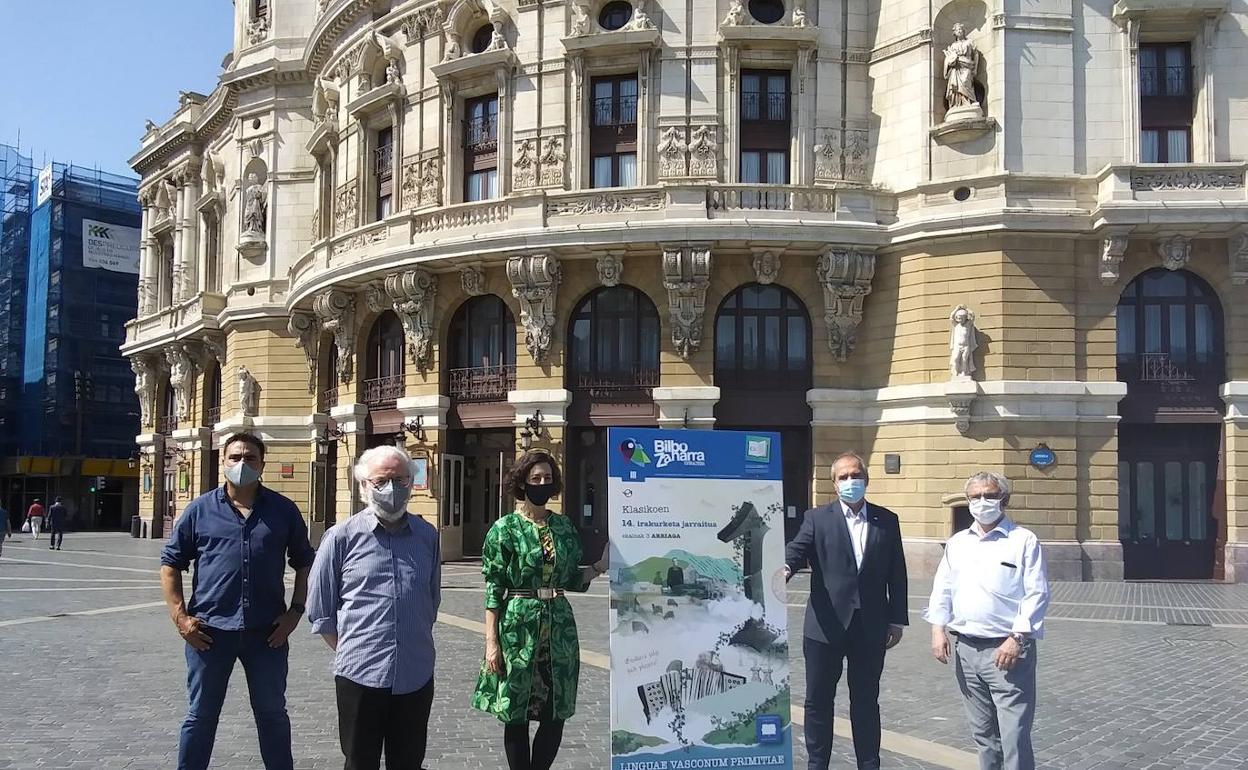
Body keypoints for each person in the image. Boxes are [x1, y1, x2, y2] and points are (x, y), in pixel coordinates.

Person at [159, 432, 315, 770]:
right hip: (209, 633)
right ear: (223, 461)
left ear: (262, 464)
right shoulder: (200, 510)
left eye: (250, 458)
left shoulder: (283, 510)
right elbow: (170, 563)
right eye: (235, 457)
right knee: (201, 716)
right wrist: (180, 619)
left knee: (272, 714)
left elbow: (305, 562)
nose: (242, 463)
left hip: (267, 634)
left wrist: (295, 612)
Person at [471, 450, 608, 770]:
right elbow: (494, 589)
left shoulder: (563, 527)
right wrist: (491, 642)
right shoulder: (505, 529)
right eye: (535, 478)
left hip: (559, 627)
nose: (542, 483)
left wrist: (599, 567)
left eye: (547, 478)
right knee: (516, 710)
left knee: (556, 710)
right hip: (518, 626)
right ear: (522, 483)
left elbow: (572, 578)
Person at [307, 445, 441, 770]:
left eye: (400, 480)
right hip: (360, 674)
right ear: (364, 486)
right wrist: (356, 648)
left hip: (415, 673)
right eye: (381, 481)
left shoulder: (427, 536)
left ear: (411, 483)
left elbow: (431, 600)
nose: (391, 488)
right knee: (359, 762)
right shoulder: (340, 537)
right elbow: (321, 611)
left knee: (409, 762)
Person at [784, 452, 908, 770]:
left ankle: (869, 763)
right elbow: (798, 549)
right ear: (834, 483)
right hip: (824, 626)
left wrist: (897, 619)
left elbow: (897, 572)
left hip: (870, 626)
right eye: (844, 477)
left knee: (865, 701)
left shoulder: (887, 519)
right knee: (818, 701)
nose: (851, 481)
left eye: (856, 475)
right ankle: (817, 764)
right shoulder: (817, 518)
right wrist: (784, 567)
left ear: (866, 479)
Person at [925, 471, 1050, 770]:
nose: (982, 501)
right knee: (983, 734)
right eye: (975, 496)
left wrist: (1017, 638)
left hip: (1007, 650)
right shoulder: (958, 543)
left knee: (1014, 734)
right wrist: (937, 629)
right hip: (967, 650)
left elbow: (1037, 593)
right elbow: (943, 587)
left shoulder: (1023, 540)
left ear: (1003, 499)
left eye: (990, 495)